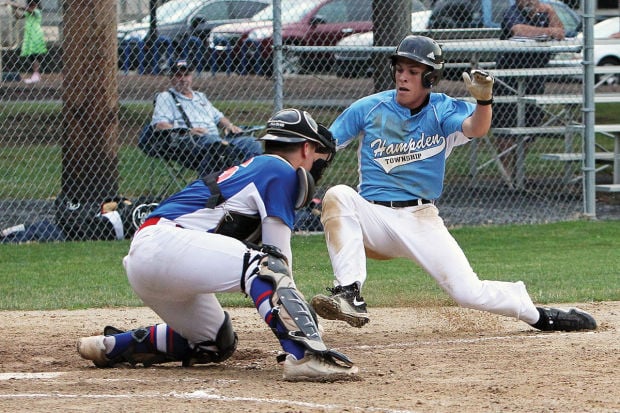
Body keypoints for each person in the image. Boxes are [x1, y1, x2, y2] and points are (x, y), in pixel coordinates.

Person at [309, 35, 597, 334]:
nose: (403, 77)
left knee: (468, 292)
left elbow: (477, 127)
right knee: (339, 194)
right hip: (375, 217)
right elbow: (325, 146)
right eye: (400, 69)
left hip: (419, 219)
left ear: (430, 77)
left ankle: (537, 315)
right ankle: (348, 294)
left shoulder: (443, 109)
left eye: (413, 71)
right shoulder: (369, 108)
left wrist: (484, 100)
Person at [77, 108, 359, 381]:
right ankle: (306, 356)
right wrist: (306, 329)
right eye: (316, 155)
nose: (317, 165)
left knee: (214, 342)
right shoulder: (280, 169)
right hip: (164, 243)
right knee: (263, 265)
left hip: (149, 261)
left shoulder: (260, 167)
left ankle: (110, 346)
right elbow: (277, 261)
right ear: (306, 148)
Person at [150, 59, 263, 175]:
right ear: (171, 77)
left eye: (186, 75)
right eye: (178, 75)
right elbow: (160, 124)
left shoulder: (200, 97)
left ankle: (250, 180)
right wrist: (188, 131)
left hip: (217, 140)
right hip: (190, 142)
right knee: (218, 146)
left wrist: (229, 125)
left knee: (252, 143)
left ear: (191, 76)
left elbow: (218, 117)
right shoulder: (165, 97)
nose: (183, 79)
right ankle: (218, 186)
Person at [493, 0, 565, 179]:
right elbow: (519, 30)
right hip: (509, 77)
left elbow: (561, 32)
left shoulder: (544, 13)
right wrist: (549, 32)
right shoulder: (513, 11)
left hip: (535, 77)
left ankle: (519, 171)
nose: (529, 2)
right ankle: (508, 175)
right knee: (506, 125)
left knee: (531, 124)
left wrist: (550, 12)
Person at [3, 0, 47, 83]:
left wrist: (13, 4)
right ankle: (35, 74)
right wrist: (13, 9)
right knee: (31, 56)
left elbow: (26, 9)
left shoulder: (37, 11)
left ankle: (36, 74)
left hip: (36, 35)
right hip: (30, 35)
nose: (30, 6)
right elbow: (18, 17)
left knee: (35, 55)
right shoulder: (29, 12)